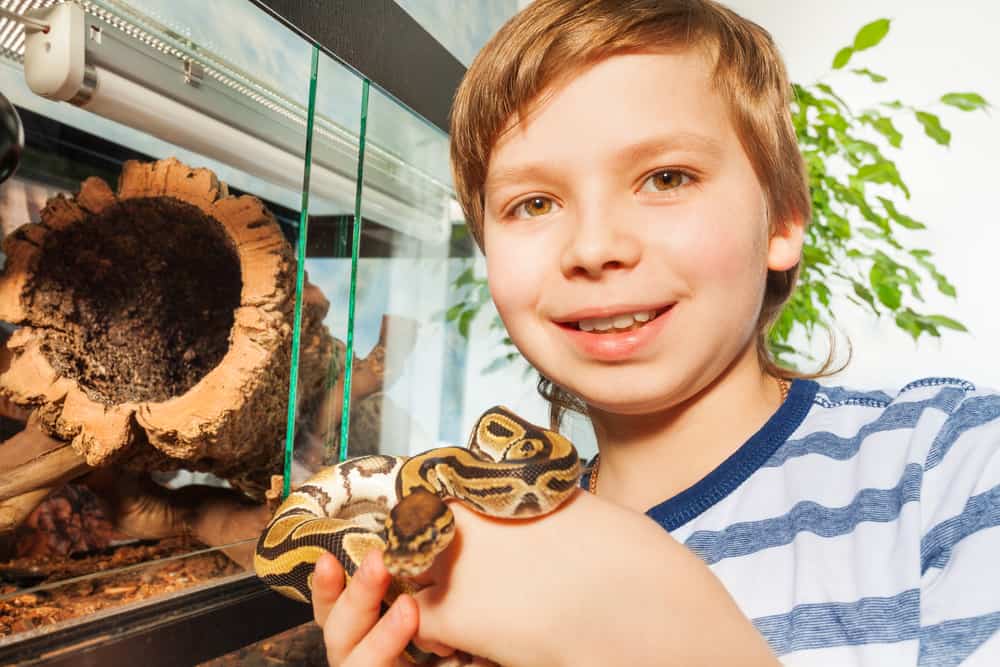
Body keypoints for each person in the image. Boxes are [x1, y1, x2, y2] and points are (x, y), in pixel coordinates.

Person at [308, 0, 1000, 664]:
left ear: (784, 220)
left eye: (667, 177)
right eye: (535, 202)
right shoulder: (477, 546)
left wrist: (662, 624)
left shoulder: (954, 461)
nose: (595, 245)